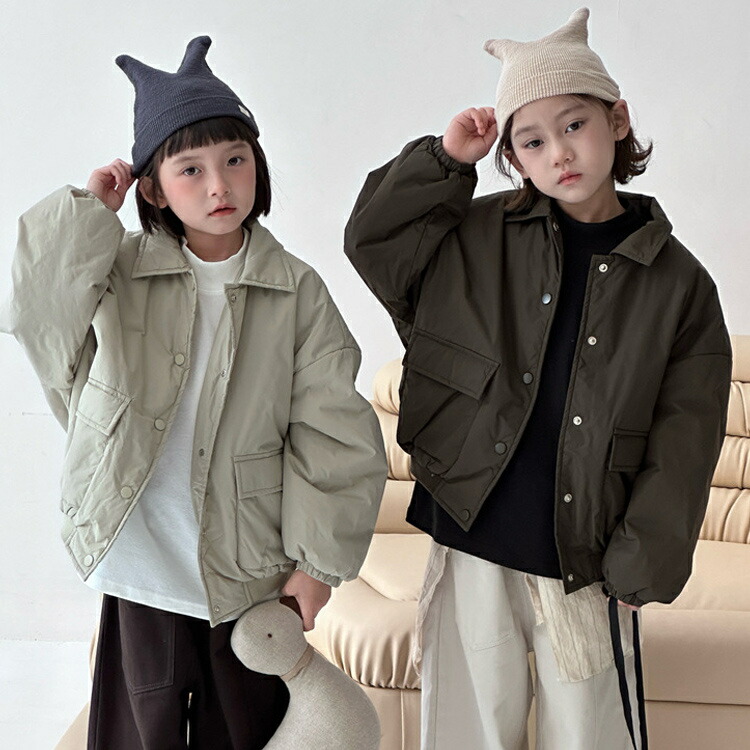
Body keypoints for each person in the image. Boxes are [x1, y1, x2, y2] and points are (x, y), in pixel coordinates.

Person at [344, 8, 731, 749]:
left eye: (575, 124)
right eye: (532, 140)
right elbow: (374, 241)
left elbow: (686, 437)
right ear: (514, 158)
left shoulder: (680, 284)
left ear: (617, 120)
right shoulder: (476, 234)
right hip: (471, 528)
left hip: (587, 553)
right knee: (467, 732)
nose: (560, 152)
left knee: (591, 735)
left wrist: (643, 560)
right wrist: (446, 162)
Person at [6, 36, 387, 749]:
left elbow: (333, 432)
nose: (219, 186)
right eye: (191, 169)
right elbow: (37, 315)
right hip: (140, 563)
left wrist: (317, 566)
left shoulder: (296, 291)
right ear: (153, 188)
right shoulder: (118, 272)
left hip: (245, 573)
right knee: (137, 734)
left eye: (235, 160)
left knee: (242, 731)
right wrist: (89, 214)